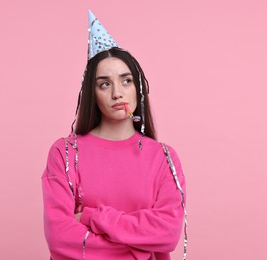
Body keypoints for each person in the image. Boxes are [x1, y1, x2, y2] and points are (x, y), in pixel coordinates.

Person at [41, 10, 187, 260]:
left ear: (138, 88)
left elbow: (169, 234)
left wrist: (91, 217)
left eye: (126, 81)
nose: (117, 93)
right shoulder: (65, 153)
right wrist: (140, 250)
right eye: (105, 84)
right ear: (92, 93)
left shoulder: (163, 157)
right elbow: (59, 238)